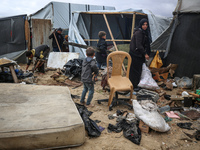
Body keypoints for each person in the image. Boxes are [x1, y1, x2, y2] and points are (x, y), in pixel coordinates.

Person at [129, 18, 151, 91]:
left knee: (138, 70)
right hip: (135, 55)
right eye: (143, 24)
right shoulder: (139, 33)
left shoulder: (144, 32)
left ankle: (135, 85)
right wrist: (145, 54)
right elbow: (138, 45)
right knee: (135, 71)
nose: (145, 26)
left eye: (146, 25)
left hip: (139, 55)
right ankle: (134, 86)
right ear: (140, 25)